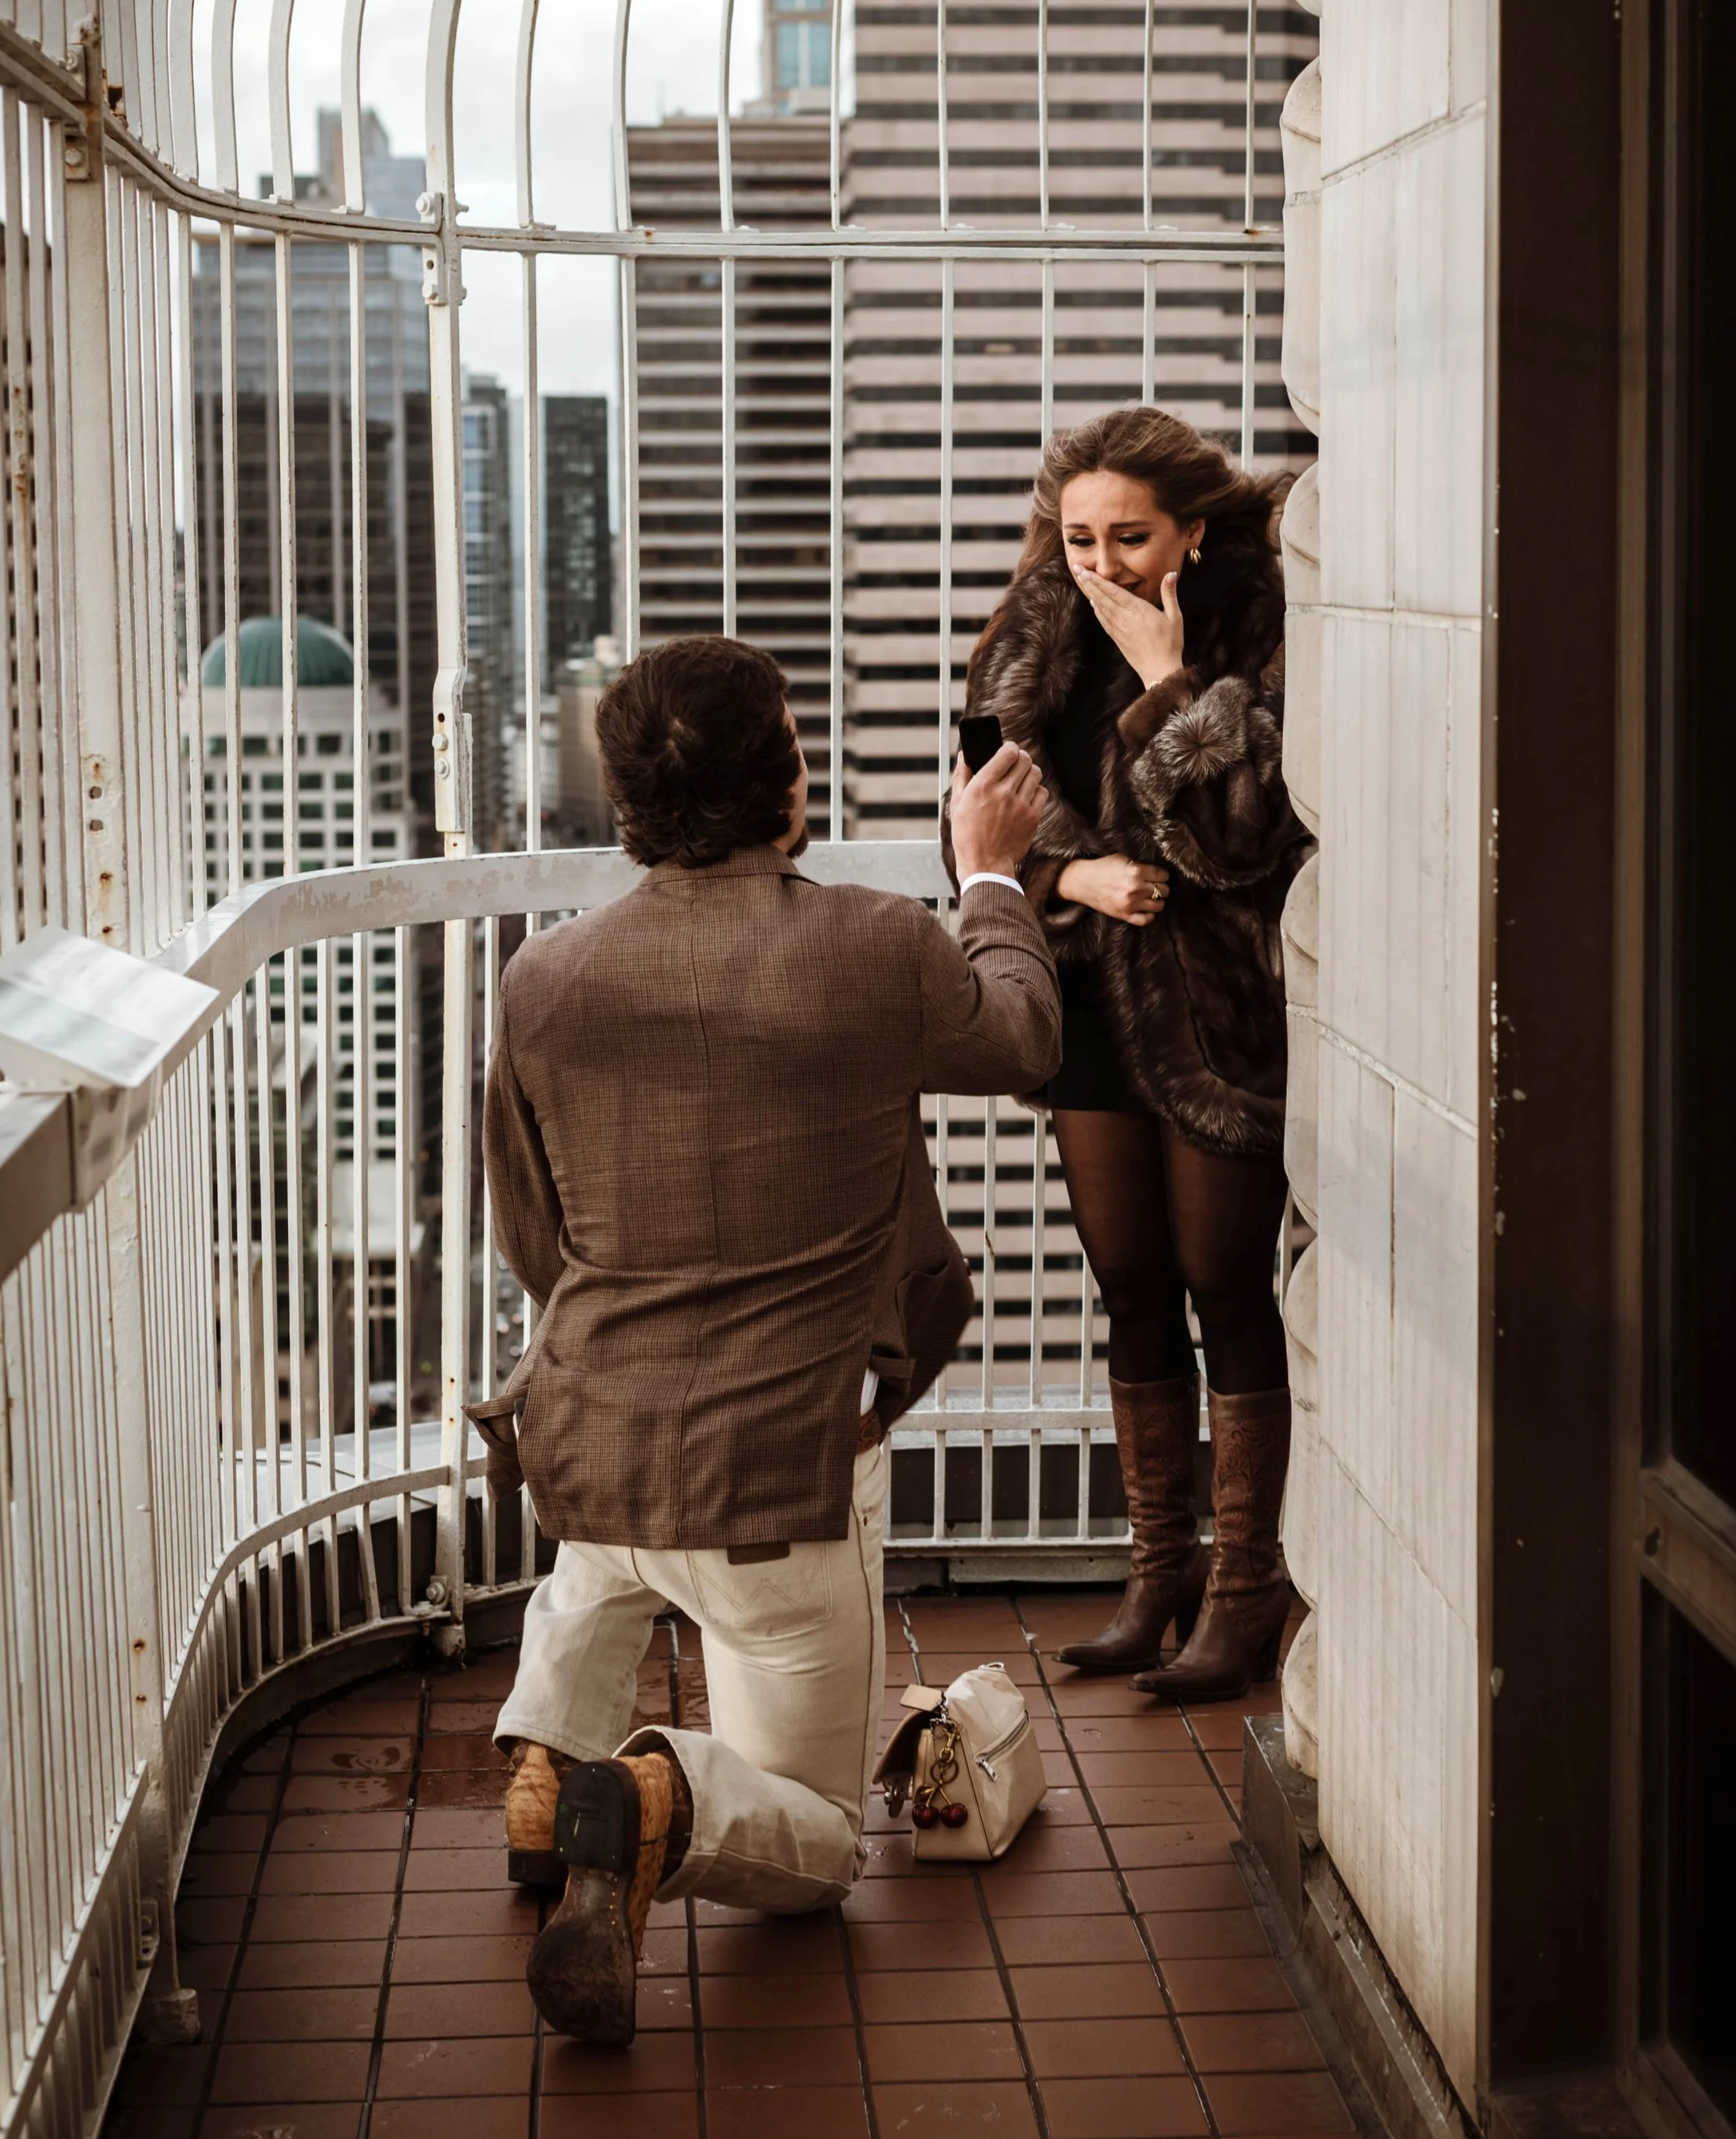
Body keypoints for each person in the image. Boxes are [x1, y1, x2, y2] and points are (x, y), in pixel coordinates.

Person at [470, 634, 1056, 2045]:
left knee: (594, 1578)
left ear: (626, 801)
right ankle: (651, 1795)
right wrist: (989, 874)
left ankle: (545, 1787)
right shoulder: (875, 945)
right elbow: (1025, 1042)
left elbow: (532, 1237)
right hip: (785, 1474)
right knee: (822, 1845)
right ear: (788, 784)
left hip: (594, 1430)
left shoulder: (542, 979)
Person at [956, 408, 1308, 1701]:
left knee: (1227, 1283)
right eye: (1080, 534)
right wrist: (1074, 876)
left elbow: (1241, 840)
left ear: (1194, 529)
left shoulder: (1256, 627)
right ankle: (1159, 1568)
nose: (1101, 560)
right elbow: (981, 831)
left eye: (1133, 536)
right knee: (1132, 1282)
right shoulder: (1031, 645)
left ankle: (1246, 1585)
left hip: (1218, 1014)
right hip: (1096, 1002)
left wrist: (1169, 681)